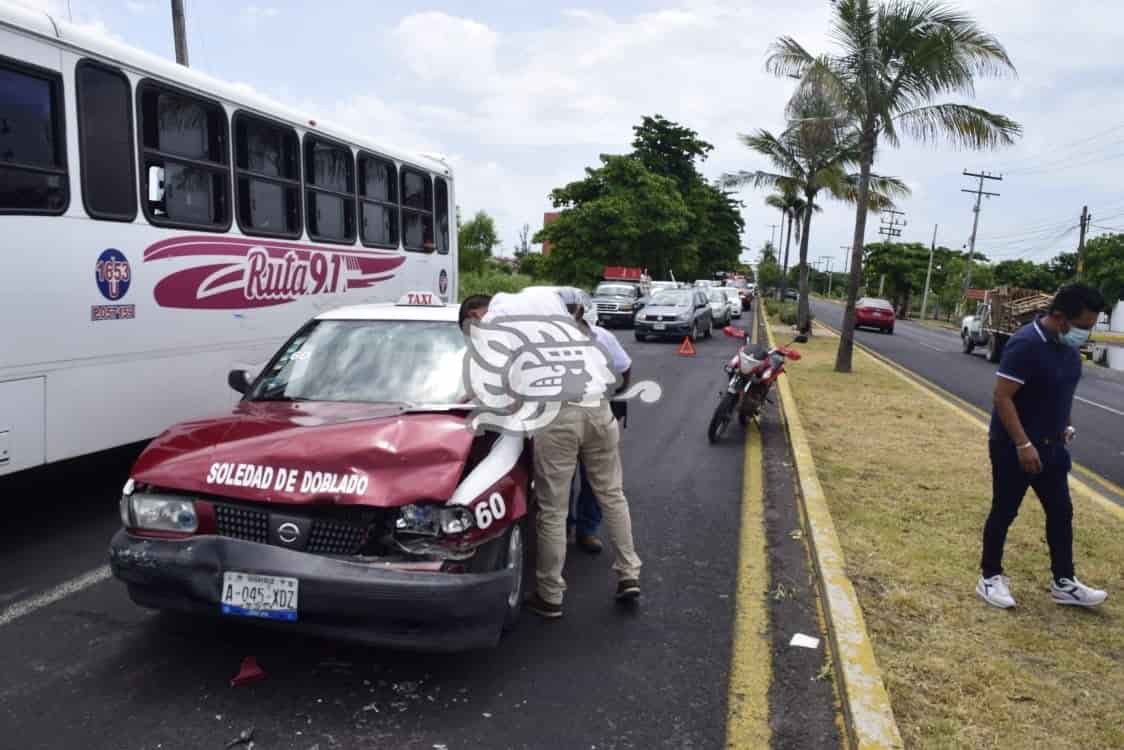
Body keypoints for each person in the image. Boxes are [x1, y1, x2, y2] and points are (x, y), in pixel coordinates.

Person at [458, 288, 642, 619]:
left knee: (552, 509)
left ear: (474, 316)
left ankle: (550, 594)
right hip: (598, 405)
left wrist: (468, 397)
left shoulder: (495, 320)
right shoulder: (543, 295)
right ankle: (630, 573)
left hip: (557, 415)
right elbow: (579, 303)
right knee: (613, 495)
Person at [977, 283, 1107, 609]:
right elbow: (1002, 397)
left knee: (1061, 513)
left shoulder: (1067, 347)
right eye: (1083, 327)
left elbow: (1059, 393)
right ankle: (989, 577)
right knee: (1005, 510)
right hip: (1014, 446)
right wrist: (1023, 444)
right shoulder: (1025, 344)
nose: (1086, 335)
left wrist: (1065, 425)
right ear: (1060, 318)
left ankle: (1064, 582)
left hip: (1052, 447)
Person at [562, 293, 632, 556]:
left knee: (596, 480)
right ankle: (566, 528)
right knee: (564, 480)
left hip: (596, 414)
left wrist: (620, 392)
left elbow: (625, 366)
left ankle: (586, 530)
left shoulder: (602, 337)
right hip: (561, 418)